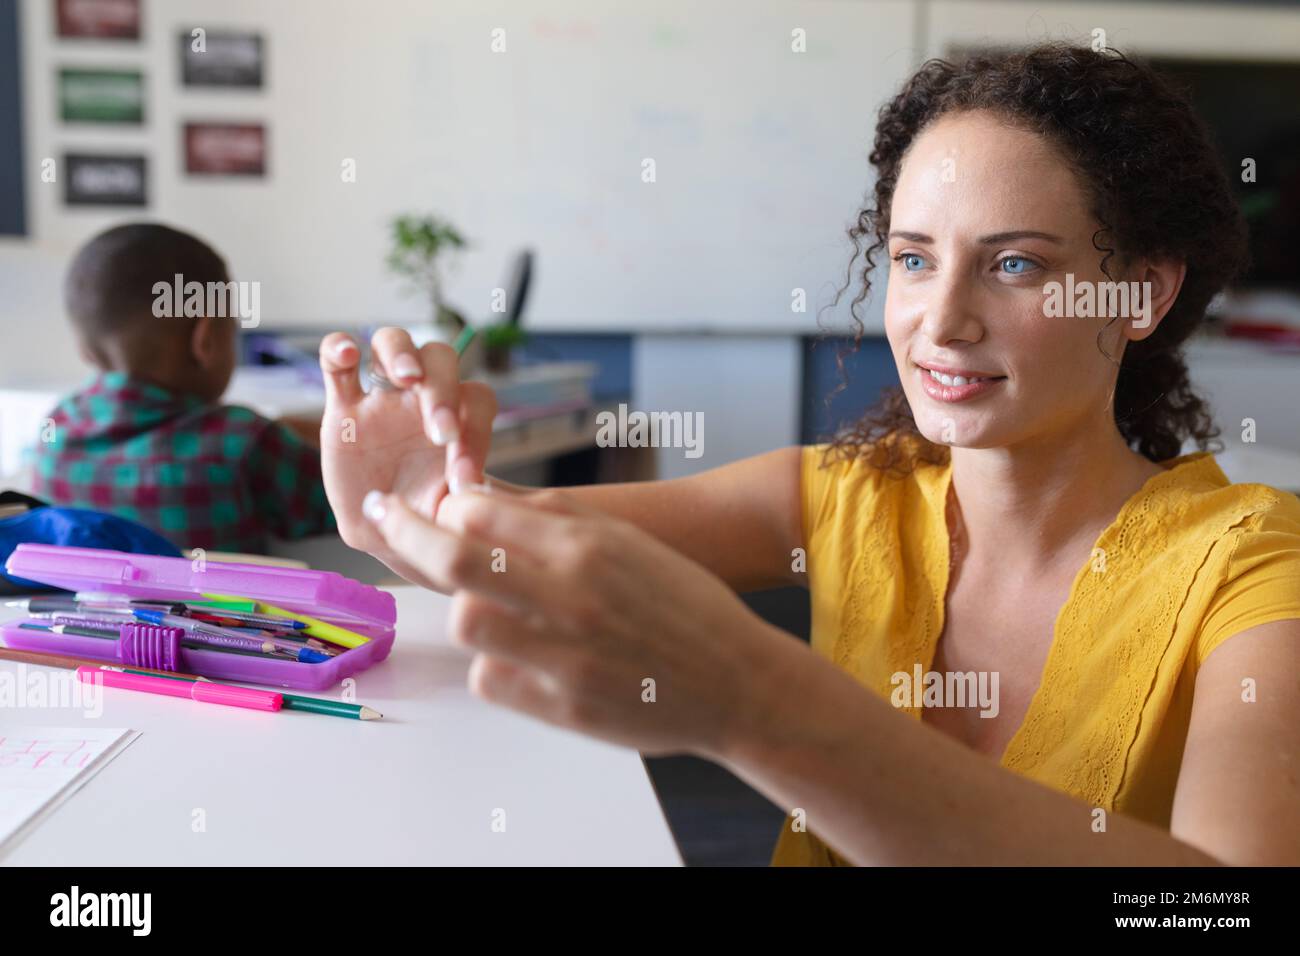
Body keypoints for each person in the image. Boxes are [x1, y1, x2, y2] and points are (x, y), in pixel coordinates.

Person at [316, 46, 1300, 865]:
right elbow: (512, 543)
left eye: (1015, 265)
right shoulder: (842, 496)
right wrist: (425, 492)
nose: (940, 321)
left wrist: (756, 703)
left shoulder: (1253, 567)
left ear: (1141, 296)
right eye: (913, 258)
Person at [30, 223, 336, 553]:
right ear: (205, 341)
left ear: (85, 349)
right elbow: (351, 502)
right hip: (228, 606)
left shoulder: (56, 433)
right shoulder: (243, 441)